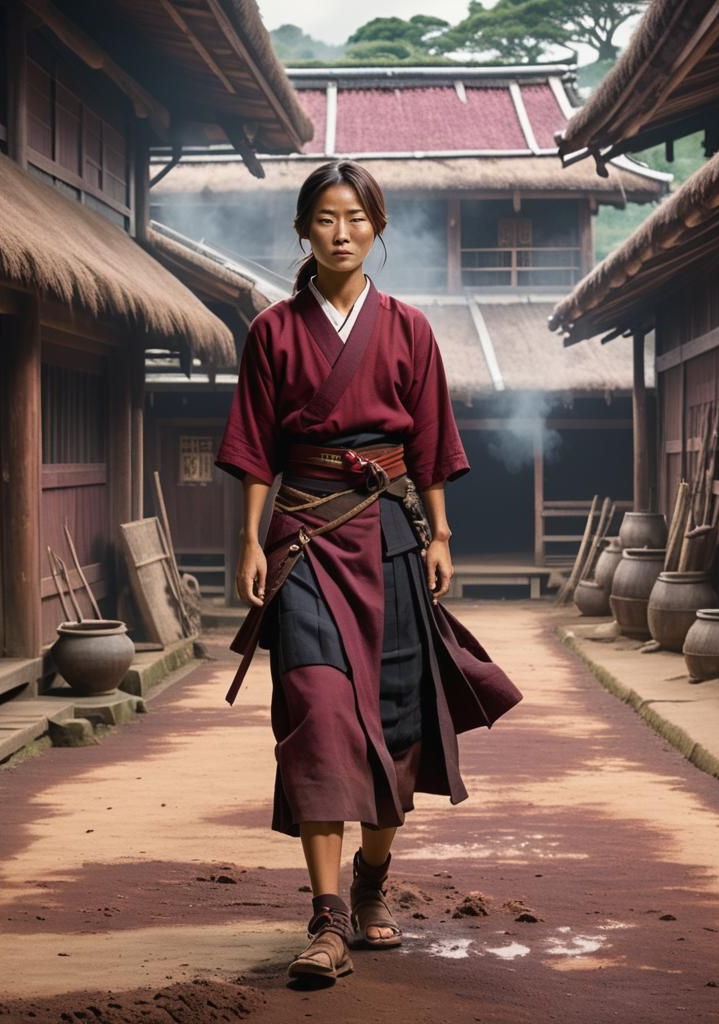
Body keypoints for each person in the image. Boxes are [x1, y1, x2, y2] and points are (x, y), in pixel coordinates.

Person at [215, 159, 522, 983]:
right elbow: (254, 447)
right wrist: (249, 541)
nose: (341, 231)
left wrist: (440, 533)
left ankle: (372, 882)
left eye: (356, 217)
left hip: (388, 534)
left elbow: (430, 441)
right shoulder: (272, 332)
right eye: (325, 217)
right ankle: (325, 919)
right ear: (303, 230)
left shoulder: (410, 329)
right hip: (305, 539)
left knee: (396, 726)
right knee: (316, 715)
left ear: (376, 229)